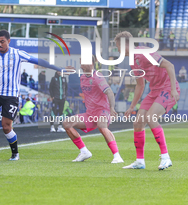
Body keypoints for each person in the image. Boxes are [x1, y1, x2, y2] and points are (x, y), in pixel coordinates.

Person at [0, 30, 62, 161]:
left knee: (6, 127)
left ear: (9, 41)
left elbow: (37, 60)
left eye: (2, 41)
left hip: (11, 96)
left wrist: (57, 68)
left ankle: (15, 154)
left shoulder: (17, 54)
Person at [114, 31, 180, 170]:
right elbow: (140, 85)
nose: (118, 50)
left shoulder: (144, 52)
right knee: (138, 122)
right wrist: (132, 106)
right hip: (155, 91)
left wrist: (173, 89)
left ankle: (165, 158)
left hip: (167, 88)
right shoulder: (132, 61)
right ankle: (139, 161)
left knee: (151, 117)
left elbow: (169, 65)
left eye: (118, 46)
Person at [63, 56, 124, 163]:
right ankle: (84, 152)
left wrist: (112, 108)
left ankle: (117, 156)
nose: (81, 65)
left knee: (102, 127)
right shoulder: (82, 77)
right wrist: (62, 71)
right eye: (80, 62)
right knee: (66, 123)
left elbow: (109, 91)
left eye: (83, 63)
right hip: (90, 114)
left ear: (91, 64)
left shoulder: (97, 77)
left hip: (102, 111)